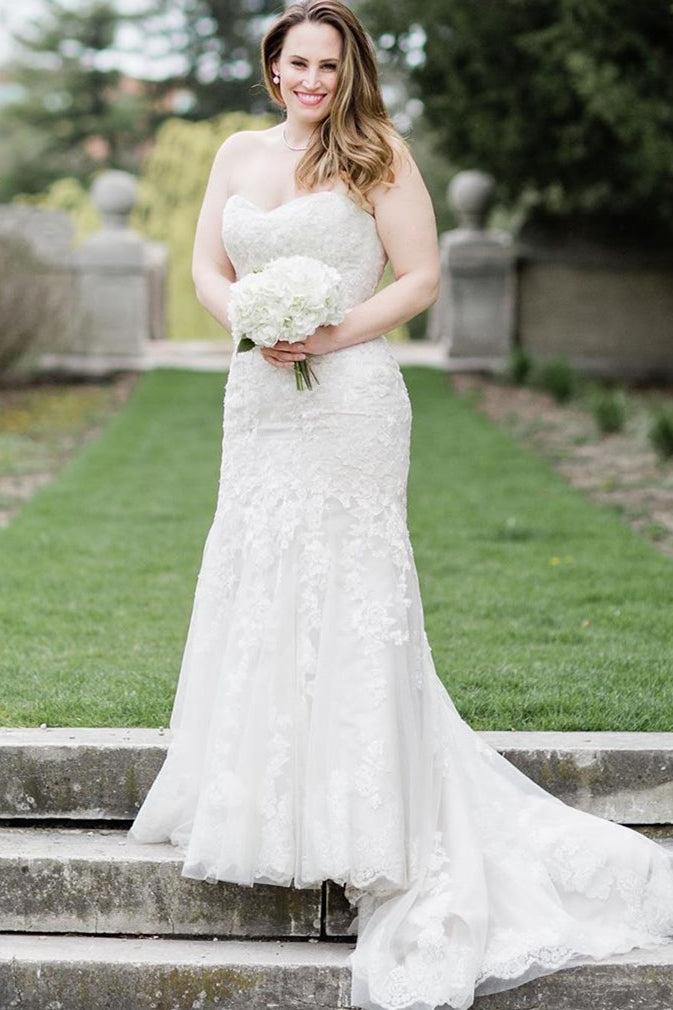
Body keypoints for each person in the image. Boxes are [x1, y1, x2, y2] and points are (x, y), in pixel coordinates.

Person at [128, 2, 673, 1009]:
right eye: (296, 62)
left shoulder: (377, 154)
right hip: (258, 395)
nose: (310, 79)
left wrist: (325, 333)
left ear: (350, 70)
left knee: (350, 581)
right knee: (259, 570)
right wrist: (251, 317)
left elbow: (418, 276)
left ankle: (365, 812)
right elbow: (208, 265)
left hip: (351, 404)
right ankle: (259, 800)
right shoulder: (236, 155)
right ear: (272, 65)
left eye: (328, 64)